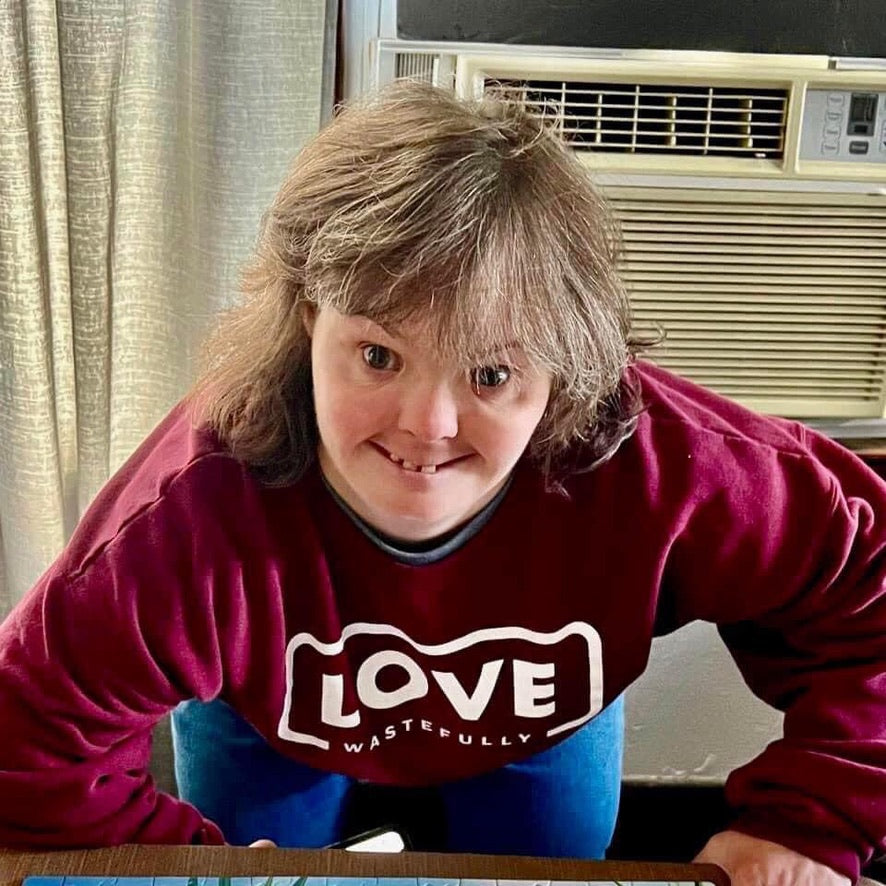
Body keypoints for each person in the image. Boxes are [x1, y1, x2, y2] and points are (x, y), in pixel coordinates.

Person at [0, 81, 883, 886]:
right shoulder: (189, 507)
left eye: (491, 374)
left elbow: (870, 585)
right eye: (378, 355)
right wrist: (188, 868)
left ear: (564, 366)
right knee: (259, 858)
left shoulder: (667, 463)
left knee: (552, 867)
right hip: (273, 725)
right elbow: (25, 741)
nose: (428, 425)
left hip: (537, 720)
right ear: (309, 320)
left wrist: (811, 823)